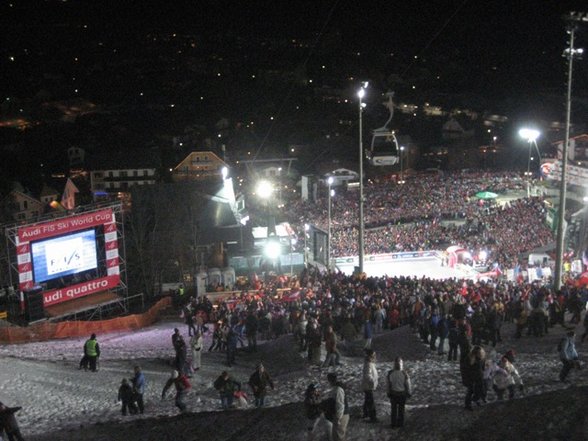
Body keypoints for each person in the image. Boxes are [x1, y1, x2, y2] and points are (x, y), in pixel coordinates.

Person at [387, 356, 412, 428]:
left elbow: (388, 384)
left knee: (393, 410)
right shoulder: (404, 374)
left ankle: (393, 423)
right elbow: (408, 384)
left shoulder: (390, 373)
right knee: (401, 410)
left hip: (393, 394)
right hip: (402, 394)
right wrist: (409, 392)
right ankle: (400, 423)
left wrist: (388, 392)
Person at [325, 373, 349, 441]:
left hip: (342, 415)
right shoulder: (336, 388)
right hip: (341, 414)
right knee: (337, 436)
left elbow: (340, 405)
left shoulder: (338, 389)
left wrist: (338, 418)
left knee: (338, 437)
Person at [462, 346, 486, 410]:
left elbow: (482, 367)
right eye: (478, 353)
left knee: (480, 389)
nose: (479, 354)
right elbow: (465, 369)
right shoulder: (469, 359)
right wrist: (466, 378)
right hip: (470, 377)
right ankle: (467, 405)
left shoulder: (482, 358)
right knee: (470, 390)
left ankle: (476, 399)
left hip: (479, 376)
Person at [361, 349, 378, 422]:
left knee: (367, 400)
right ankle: (372, 417)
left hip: (368, 385)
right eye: (373, 355)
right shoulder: (368, 364)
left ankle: (366, 413)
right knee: (371, 401)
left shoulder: (370, 363)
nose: (375, 356)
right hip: (368, 386)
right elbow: (367, 375)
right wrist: (373, 382)